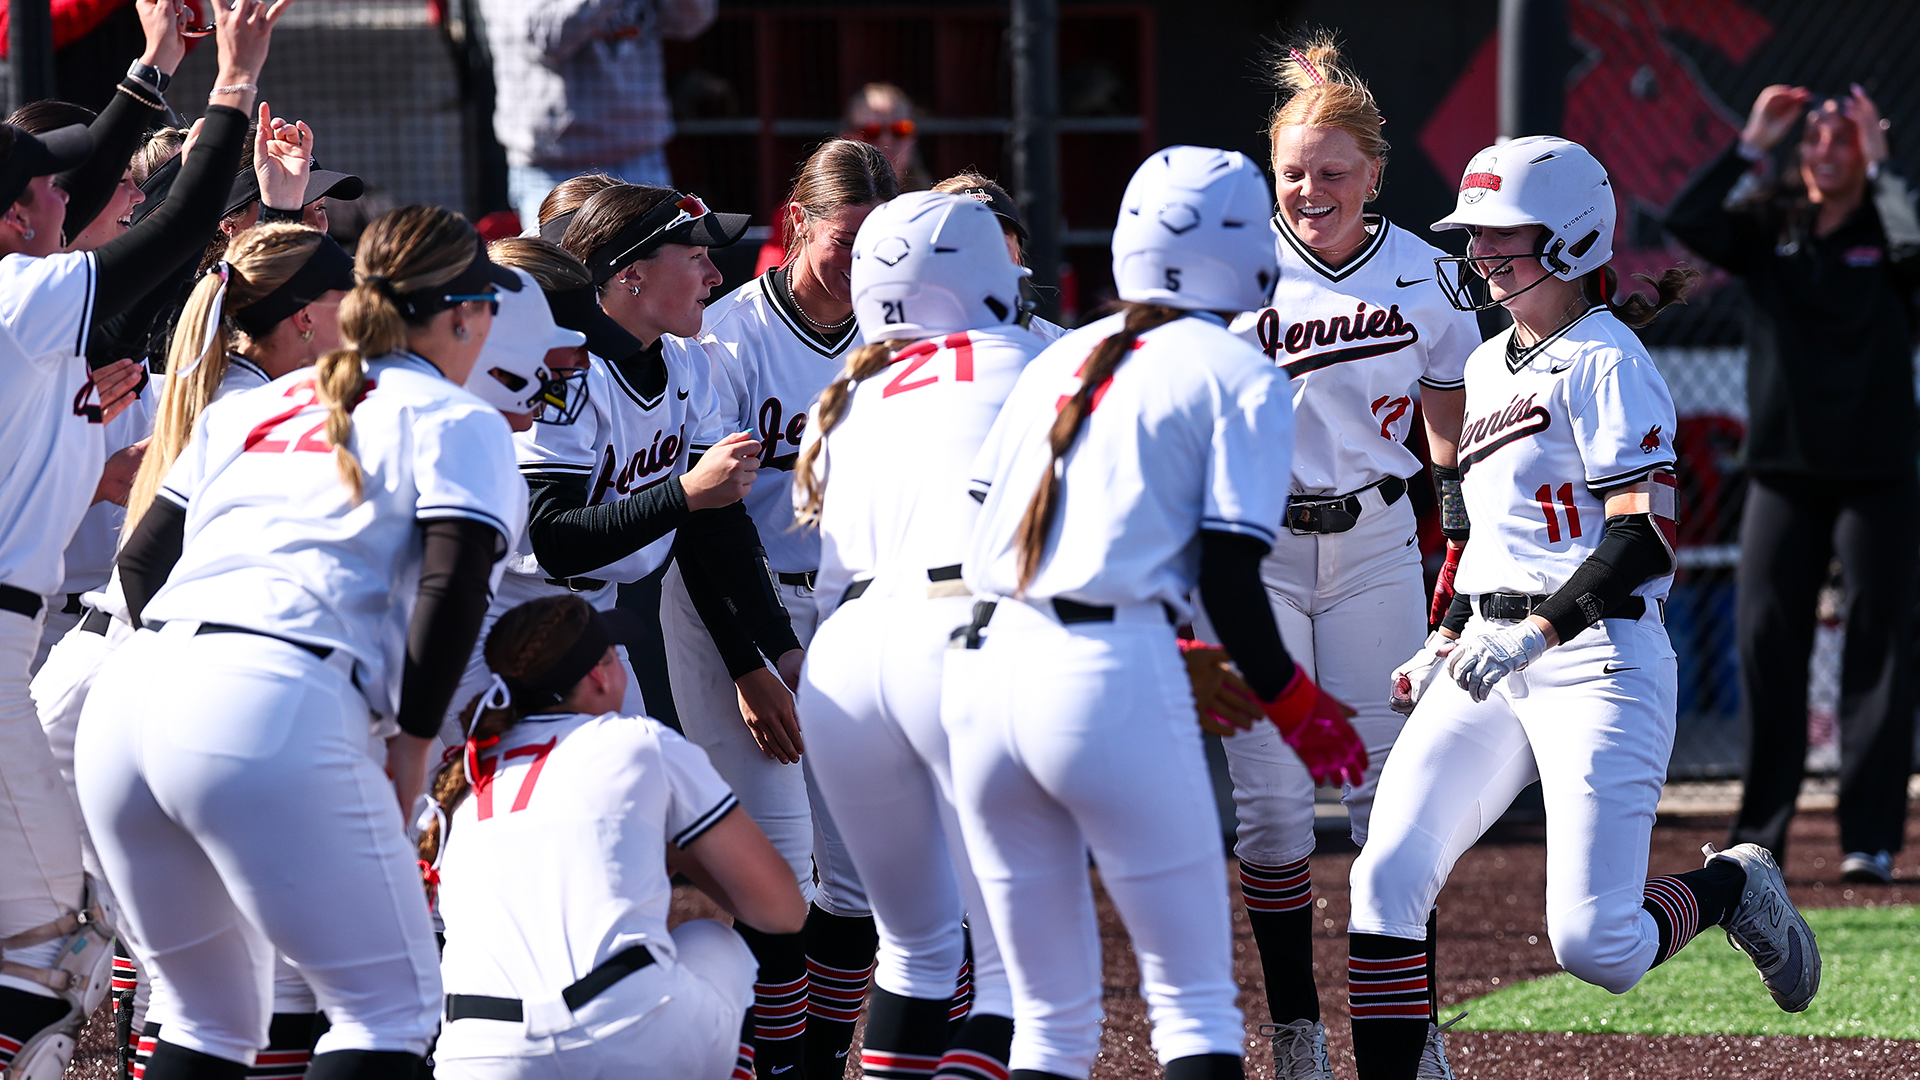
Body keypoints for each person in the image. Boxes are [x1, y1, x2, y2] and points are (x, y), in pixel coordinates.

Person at [1350, 136, 1821, 1080]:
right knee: (1384, 879)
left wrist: (1536, 631)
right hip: (1493, 646)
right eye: (1473, 236)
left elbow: (1643, 537)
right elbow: (1479, 526)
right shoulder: (1488, 366)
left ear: (1569, 240)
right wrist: (1445, 635)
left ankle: (1730, 885)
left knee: (1597, 947)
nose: (1480, 255)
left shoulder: (1611, 361)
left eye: (1500, 237)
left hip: (1595, 656)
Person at [75, 205, 530, 1080]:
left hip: (130, 695)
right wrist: (409, 747)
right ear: (466, 312)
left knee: (208, 1021)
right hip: (266, 695)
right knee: (391, 1011)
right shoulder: (456, 416)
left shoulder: (271, 398)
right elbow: (451, 585)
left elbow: (141, 560)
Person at [948, 145, 1364, 1080]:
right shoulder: (1235, 369)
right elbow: (1228, 579)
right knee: (1192, 1006)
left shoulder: (1063, 352)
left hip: (979, 670)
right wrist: (1295, 704)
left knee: (1044, 1020)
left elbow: (998, 528)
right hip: (1102, 672)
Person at [0, 0, 292, 1067]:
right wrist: (228, 82)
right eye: (47, 191)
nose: (77, 195)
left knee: (54, 934)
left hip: (25, 640)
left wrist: (152, 65)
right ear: (19, 219)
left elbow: (86, 186)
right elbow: (170, 236)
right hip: (15, 641)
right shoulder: (16, 297)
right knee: (56, 942)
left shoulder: (22, 302)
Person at [1203, 41, 1479, 1077]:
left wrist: (1454, 499)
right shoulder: (1232, 267)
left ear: (1374, 172)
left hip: (1372, 545)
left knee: (1390, 807)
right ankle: (1297, 1030)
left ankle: (1416, 1035)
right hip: (1255, 553)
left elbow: (1450, 399)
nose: (1310, 190)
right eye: (1293, 173)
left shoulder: (1426, 269)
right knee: (1272, 810)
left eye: (1331, 170)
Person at [791, 191, 1044, 1080]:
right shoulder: (1039, 356)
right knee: (1024, 980)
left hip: (848, 660)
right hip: (964, 639)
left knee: (915, 952)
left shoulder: (851, 392)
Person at [668, 137, 897, 1079]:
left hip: (849, 613)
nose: (866, 263)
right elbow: (706, 527)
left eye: (884, 242)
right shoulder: (726, 336)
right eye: (849, 238)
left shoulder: (899, 333)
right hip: (734, 612)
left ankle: (809, 1064)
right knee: (783, 887)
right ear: (796, 222)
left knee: (855, 888)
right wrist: (754, 663)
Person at [1664, 84, 1920, 884]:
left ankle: (1870, 840)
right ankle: (1760, 833)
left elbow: (1915, 258)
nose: (1824, 149)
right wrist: (1750, 140)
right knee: (1769, 646)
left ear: (1868, 150)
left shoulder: (1890, 223)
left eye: (1842, 138)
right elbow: (1690, 221)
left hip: (1878, 476)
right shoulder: (1771, 222)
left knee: (1880, 649)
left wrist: (1883, 172)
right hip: (1782, 475)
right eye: (1813, 138)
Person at [424, 595, 806, 1080]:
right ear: (599, 676)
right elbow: (782, 912)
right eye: (611, 655)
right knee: (714, 941)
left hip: (474, 1053)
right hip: (617, 1037)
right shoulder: (636, 741)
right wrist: (671, 851)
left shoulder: (459, 778)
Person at [481, 0, 717, 226]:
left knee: (650, 265)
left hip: (640, 155)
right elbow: (545, 37)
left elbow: (692, 21)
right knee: (569, 267)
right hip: (557, 167)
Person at [929, 172, 1069, 342]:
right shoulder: (896, 348)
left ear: (1017, 257)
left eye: (995, 239)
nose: (981, 253)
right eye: (964, 238)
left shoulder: (1066, 348)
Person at [846, 84, 929, 193]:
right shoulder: (830, 205)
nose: (887, 140)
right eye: (871, 132)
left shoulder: (935, 202)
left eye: (899, 130)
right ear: (846, 138)